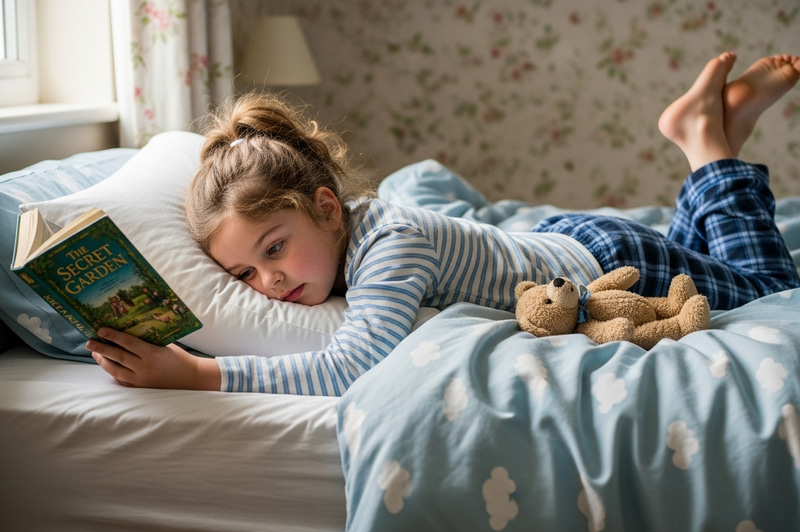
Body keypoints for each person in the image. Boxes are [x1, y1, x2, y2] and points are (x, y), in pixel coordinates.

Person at [87, 52, 800, 395]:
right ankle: (712, 147)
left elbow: (353, 365)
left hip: (605, 262)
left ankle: (708, 144)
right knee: (703, 259)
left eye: (276, 248)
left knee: (770, 289)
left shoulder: (390, 244)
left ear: (327, 208)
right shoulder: (353, 241)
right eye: (244, 274)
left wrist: (200, 375)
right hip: (565, 245)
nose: (268, 281)